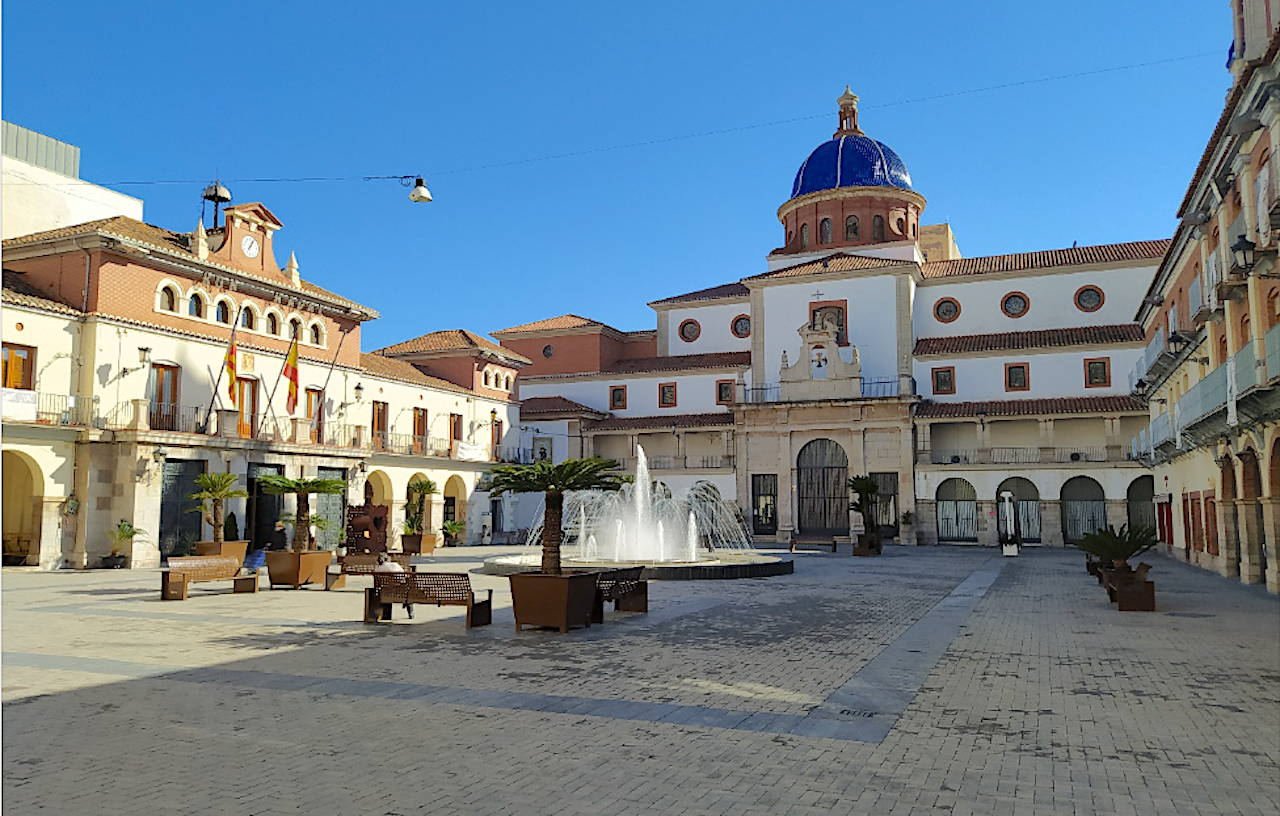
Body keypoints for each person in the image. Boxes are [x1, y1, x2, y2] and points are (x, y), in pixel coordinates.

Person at [374, 552, 412, 618]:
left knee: (386, 591)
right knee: (408, 590)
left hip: (385, 591)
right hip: (400, 590)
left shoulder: (377, 569)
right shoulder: (395, 565)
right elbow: (404, 576)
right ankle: (410, 612)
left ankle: (386, 615)